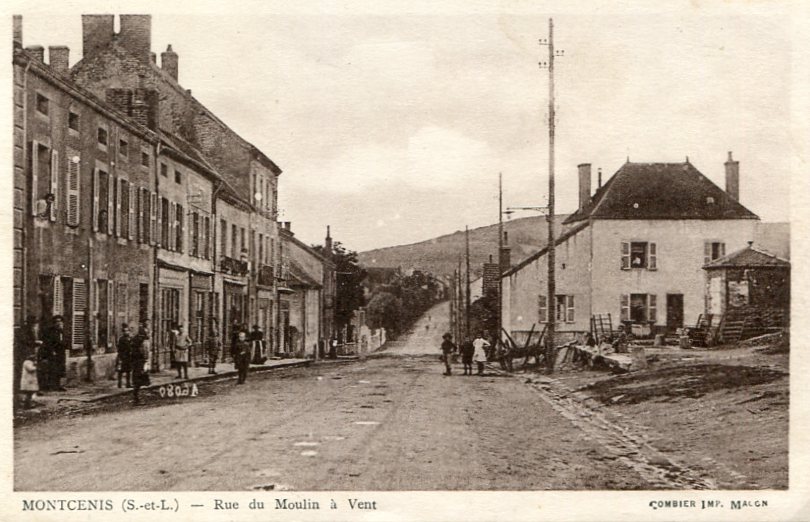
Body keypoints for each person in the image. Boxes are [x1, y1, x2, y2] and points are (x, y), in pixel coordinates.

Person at [41, 315, 67, 391]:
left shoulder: (62, 331)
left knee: (60, 369)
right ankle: (50, 386)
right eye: (57, 321)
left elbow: (65, 342)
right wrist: (52, 351)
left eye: (60, 321)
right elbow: (48, 342)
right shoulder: (50, 331)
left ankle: (58, 385)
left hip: (61, 353)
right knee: (52, 369)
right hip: (52, 352)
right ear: (54, 323)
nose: (58, 323)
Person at [131, 323, 151, 405]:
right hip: (140, 362)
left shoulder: (134, 340)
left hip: (135, 362)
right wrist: (146, 362)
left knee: (136, 379)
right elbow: (145, 352)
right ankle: (137, 399)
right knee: (140, 380)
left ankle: (136, 397)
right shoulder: (143, 342)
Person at [116, 323, 133, 388]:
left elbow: (131, 346)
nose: (127, 332)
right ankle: (119, 383)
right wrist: (120, 356)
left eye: (127, 331)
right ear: (123, 332)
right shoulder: (121, 339)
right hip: (123, 356)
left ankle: (128, 384)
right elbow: (120, 348)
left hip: (128, 356)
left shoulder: (129, 339)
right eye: (125, 331)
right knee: (121, 371)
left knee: (128, 370)